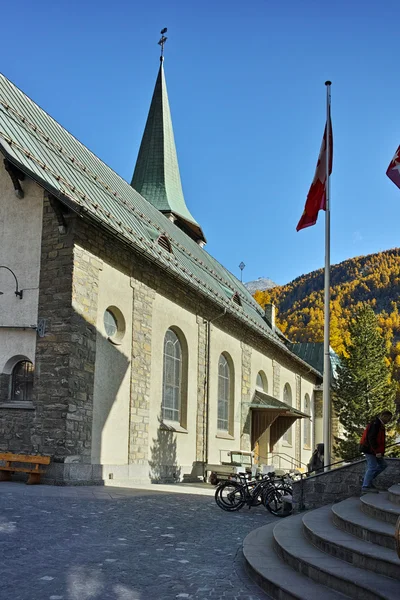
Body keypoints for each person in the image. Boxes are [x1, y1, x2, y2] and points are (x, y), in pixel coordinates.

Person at [360, 410, 393, 494]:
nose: (388, 421)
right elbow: (371, 438)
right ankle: (366, 486)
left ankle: (367, 480)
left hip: (374, 450)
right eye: (388, 419)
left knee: (383, 465)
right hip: (370, 450)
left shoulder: (379, 424)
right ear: (383, 416)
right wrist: (377, 451)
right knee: (372, 467)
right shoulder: (376, 424)